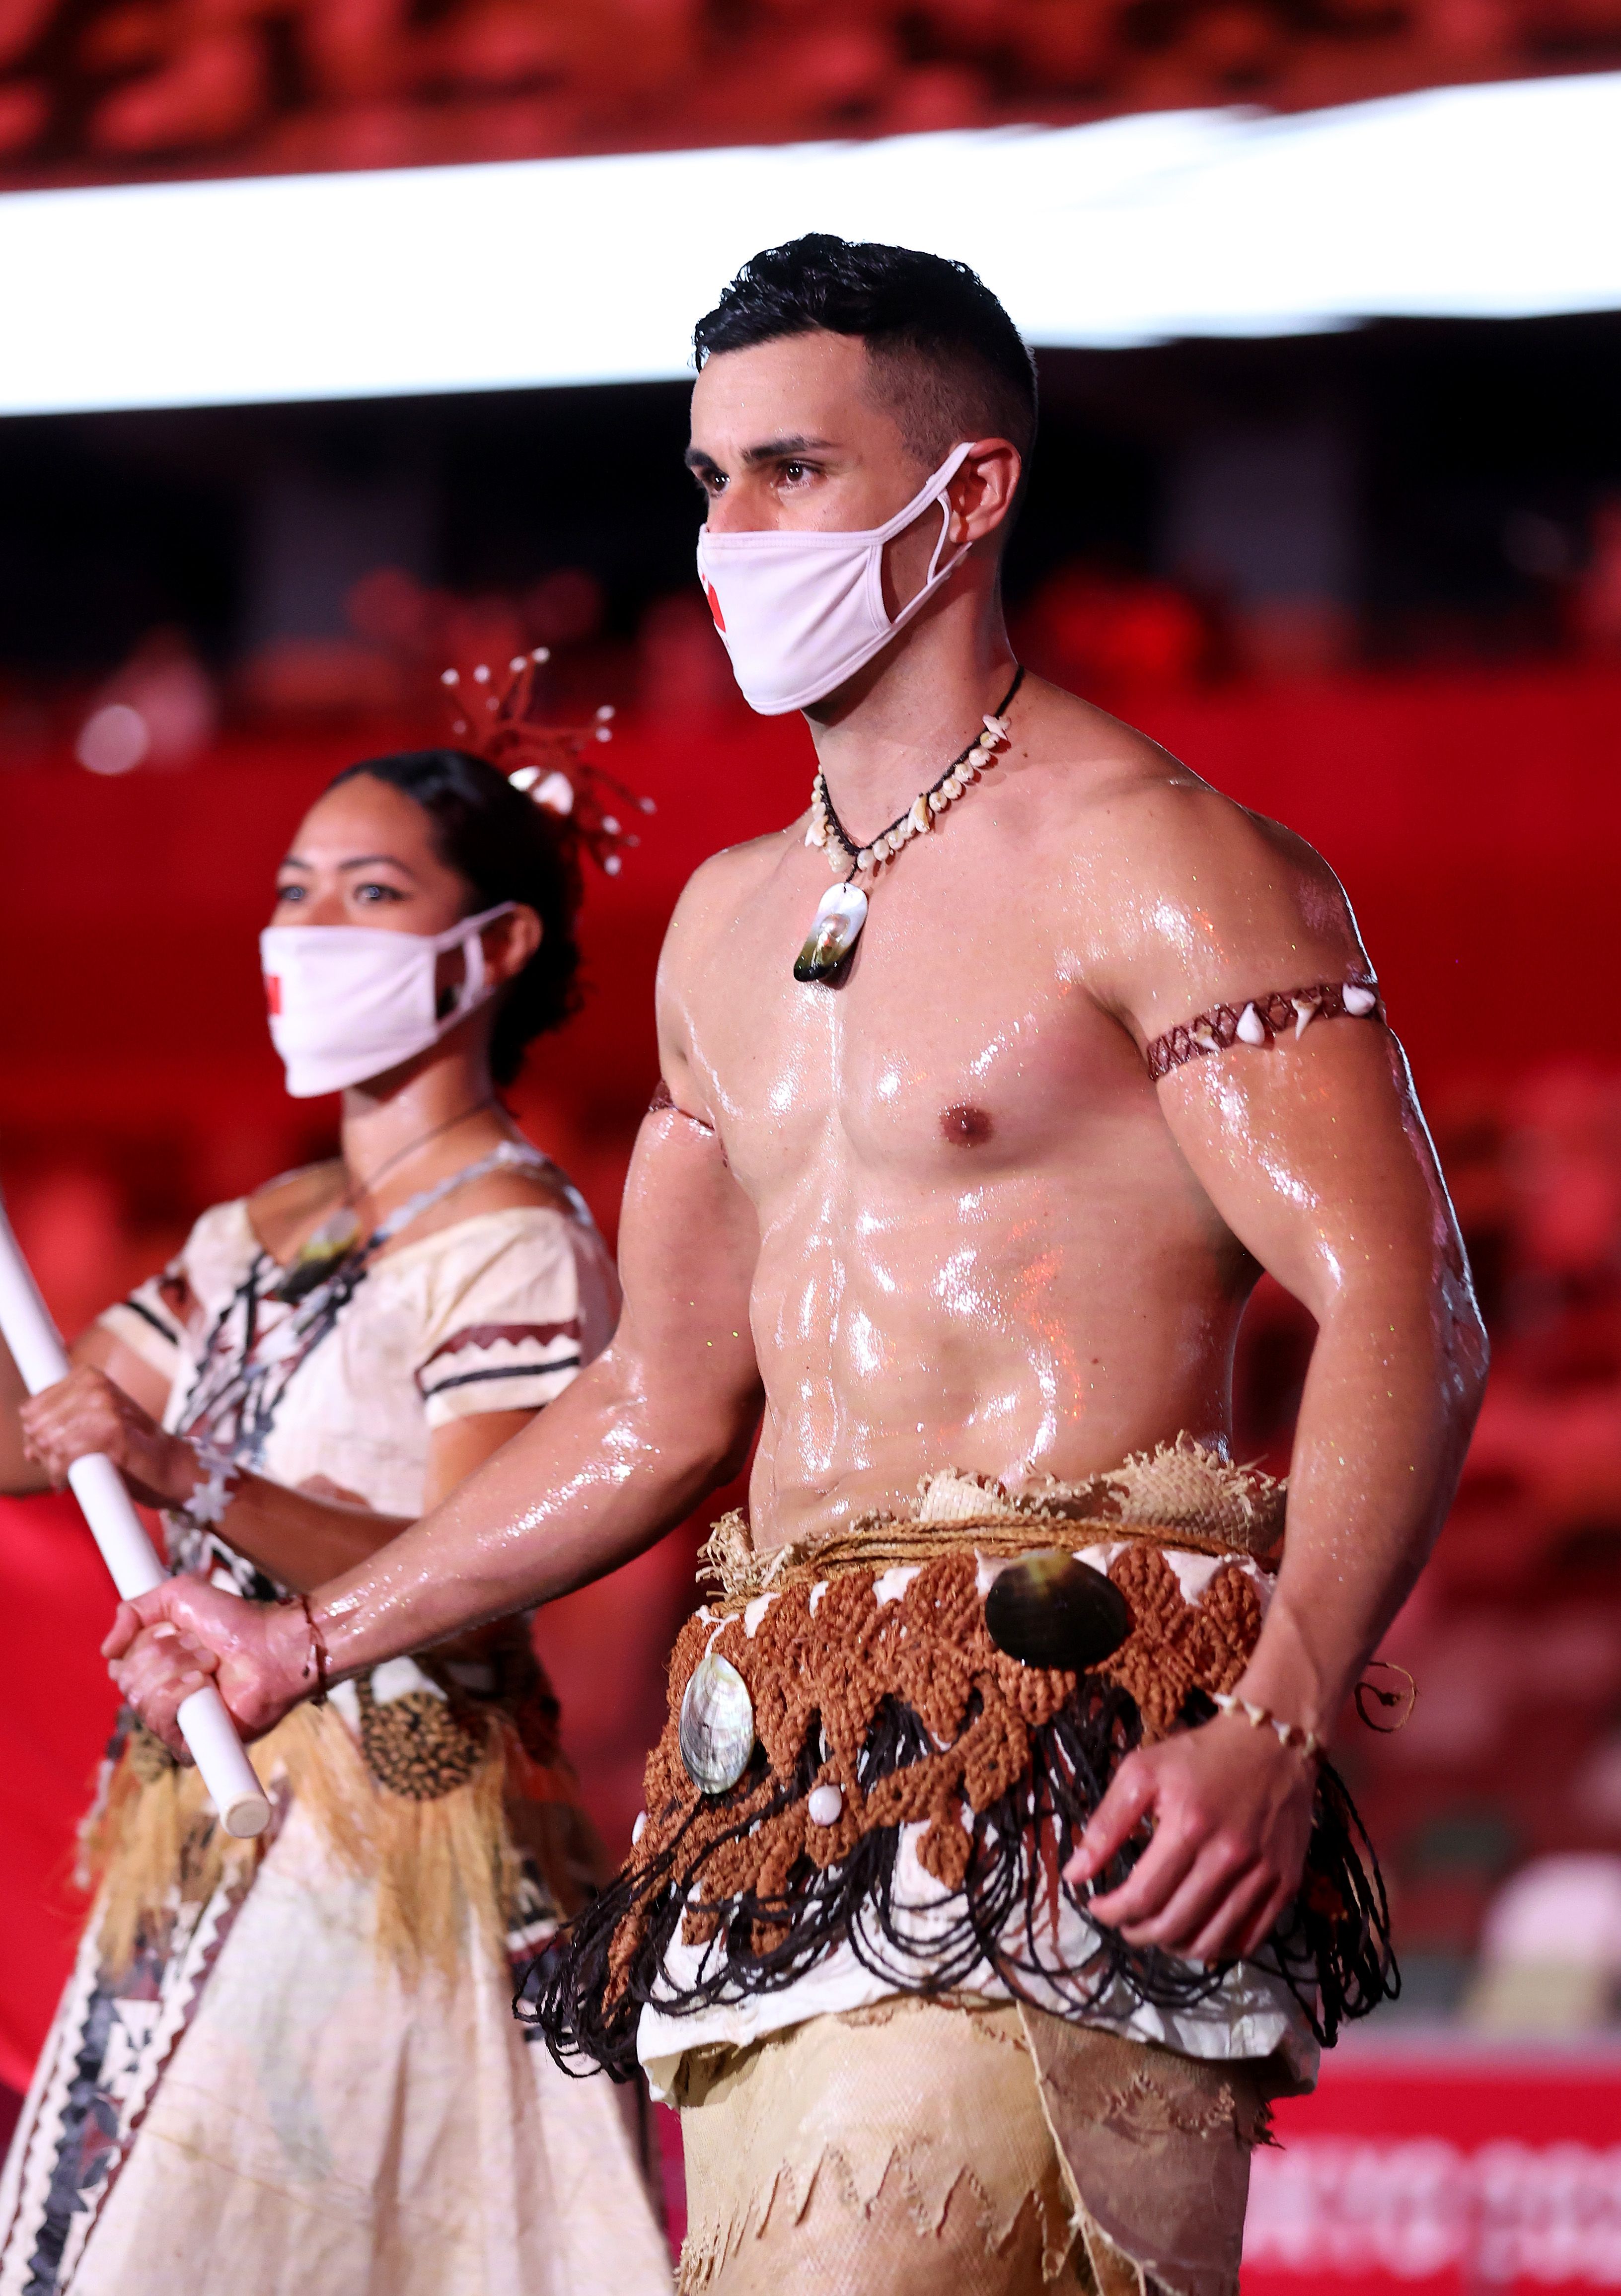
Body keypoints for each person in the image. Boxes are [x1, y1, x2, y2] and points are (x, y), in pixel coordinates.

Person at [104, 236, 1488, 2296]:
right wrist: (305, 1642)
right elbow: (660, 1404)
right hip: (779, 1783)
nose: (731, 533)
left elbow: (1409, 1302)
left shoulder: (1169, 857)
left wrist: (1280, 1721)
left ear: (972, 494)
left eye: (791, 475)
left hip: (1088, 1747)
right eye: (708, 481)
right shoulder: (728, 929)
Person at [0, 734, 671, 2296]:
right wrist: (99, 1434)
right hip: (207, 1838)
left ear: (496, 945)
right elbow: (49, 1434)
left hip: (398, 1857)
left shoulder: (514, 1238)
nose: (310, 931)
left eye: (368, 894)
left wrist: (180, 1473)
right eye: (293, 891)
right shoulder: (259, 1224)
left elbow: (482, 1570)